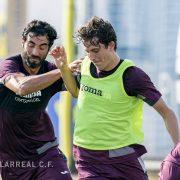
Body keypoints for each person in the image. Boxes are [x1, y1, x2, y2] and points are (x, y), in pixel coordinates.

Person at [50, 16, 179, 180]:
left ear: (111, 45)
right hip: (87, 156)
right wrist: (63, 68)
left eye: (96, 50)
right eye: (88, 51)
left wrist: (178, 149)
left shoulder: (132, 76)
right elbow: (77, 93)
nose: (92, 56)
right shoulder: (86, 64)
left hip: (123, 158)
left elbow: (166, 113)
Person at [0, 20, 73, 180]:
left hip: (46, 152)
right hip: (13, 161)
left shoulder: (51, 70)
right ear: (23, 41)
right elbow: (21, 87)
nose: (35, 51)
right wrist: (61, 71)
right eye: (31, 44)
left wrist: (71, 70)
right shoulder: (8, 66)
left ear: (49, 48)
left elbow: (77, 91)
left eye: (42, 47)